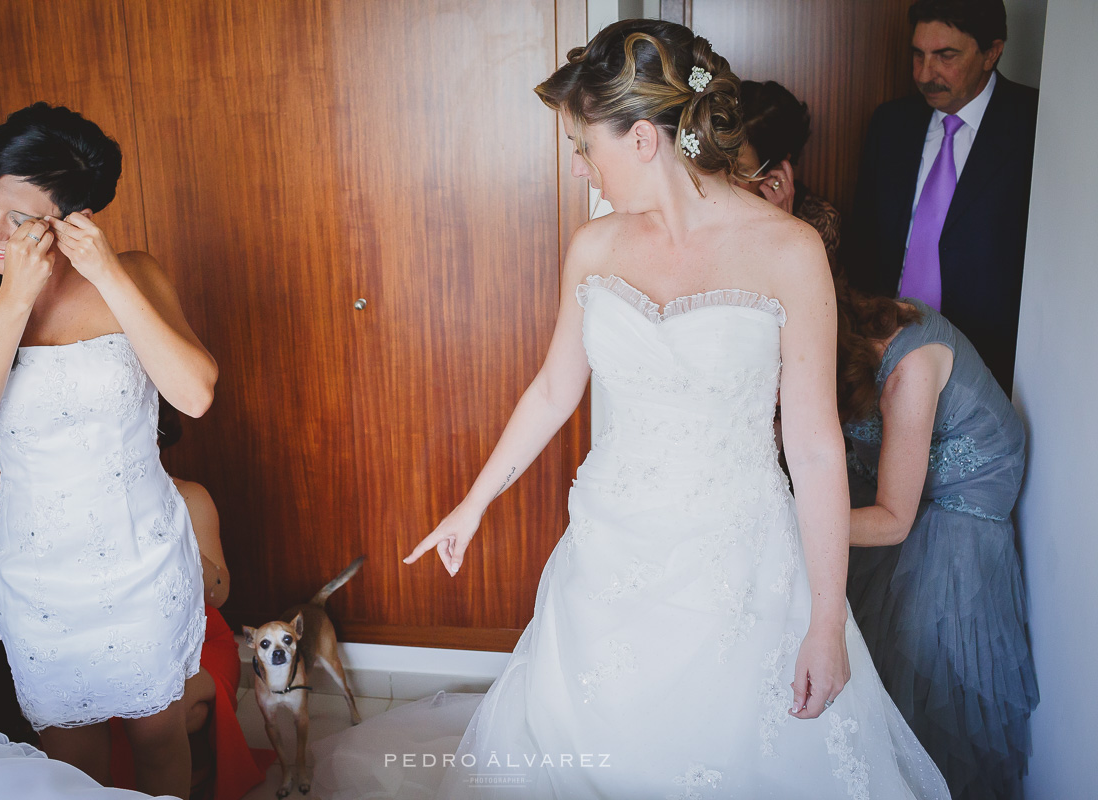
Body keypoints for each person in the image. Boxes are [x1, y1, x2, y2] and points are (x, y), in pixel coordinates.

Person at [314, 20, 950, 799]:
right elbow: (554, 388)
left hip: (739, 566)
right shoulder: (594, 246)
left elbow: (815, 448)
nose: (581, 164)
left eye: (587, 147)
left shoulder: (789, 252)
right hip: (609, 555)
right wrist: (473, 503)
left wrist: (823, 621)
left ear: (645, 139)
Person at [0, 102, 218, 798]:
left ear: (69, 220)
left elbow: (196, 393)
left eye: (19, 219)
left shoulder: (134, 274)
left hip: (144, 559)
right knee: (70, 769)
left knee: (159, 747)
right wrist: (14, 301)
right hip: (41, 581)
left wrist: (109, 272)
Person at [836, 285, 1038, 799]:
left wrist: (798, 522)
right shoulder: (851, 325)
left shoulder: (909, 372)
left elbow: (893, 522)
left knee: (916, 655)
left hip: (962, 495)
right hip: (904, 477)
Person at [844, 0, 1037, 394]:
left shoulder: (1032, 124)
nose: (924, 73)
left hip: (985, 364)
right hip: (884, 351)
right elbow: (864, 234)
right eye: (918, 54)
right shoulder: (890, 123)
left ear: (992, 52)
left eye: (945, 56)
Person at [108, 401, 270, 800]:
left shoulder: (190, 495)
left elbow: (219, 592)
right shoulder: (94, 509)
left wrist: (168, 529)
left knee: (166, 714)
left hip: (201, 641)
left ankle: (179, 780)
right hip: (124, 644)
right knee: (117, 713)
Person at [735, 79, 841, 260]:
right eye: (717, 162)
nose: (723, 179)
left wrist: (782, 230)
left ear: (778, 166)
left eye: (740, 170)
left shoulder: (820, 222)